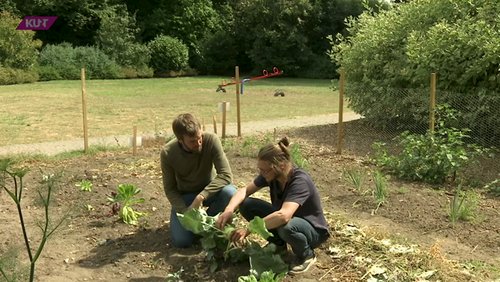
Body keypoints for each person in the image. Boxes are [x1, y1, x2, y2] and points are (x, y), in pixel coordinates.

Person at [216, 137, 330, 274]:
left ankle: (306, 255)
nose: (261, 174)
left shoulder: (299, 181)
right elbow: (244, 191)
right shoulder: (272, 175)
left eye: (265, 170)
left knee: (285, 225)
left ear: (281, 166)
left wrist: (249, 229)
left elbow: (284, 216)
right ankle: (278, 245)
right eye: (260, 170)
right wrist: (229, 210)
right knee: (247, 204)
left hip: (312, 230)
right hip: (288, 221)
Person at [161, 113, 237, 248]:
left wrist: (201, 196)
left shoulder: (211, 140)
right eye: (192, 141)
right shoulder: (168, 153)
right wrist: (186, 212)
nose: (198, 143)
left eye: (200, 137)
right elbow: (170, 189)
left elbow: (226, 175)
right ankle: (199, 227)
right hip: (186, 196)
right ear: (180, 140)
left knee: (231, 192)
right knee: (182, 242)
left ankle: (209, 223)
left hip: (210, 192)